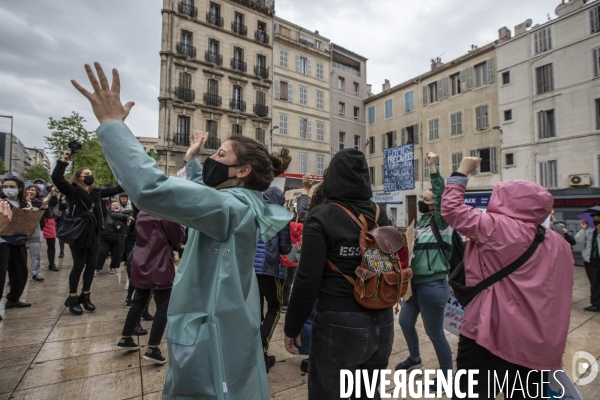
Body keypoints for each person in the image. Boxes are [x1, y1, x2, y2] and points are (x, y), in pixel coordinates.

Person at [72, 61, 292, 399]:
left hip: (211, 340)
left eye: (220, 154)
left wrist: (113, 126)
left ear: (243, 170)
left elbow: (151, 189)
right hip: (227, 329)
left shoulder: (231, 208)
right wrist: (192, 160)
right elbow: (204, 197)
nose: (212, 160)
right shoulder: (248, 203)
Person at [441, 157, 574, 398]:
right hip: (539, 344)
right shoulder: (560, 243)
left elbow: (451, 209)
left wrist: (461, 172)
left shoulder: (496, 227)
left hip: (490, 334)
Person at [284, 149, 393, 399]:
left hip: (340, 322)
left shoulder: (322, 216)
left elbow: (307, 280)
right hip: (382, 320)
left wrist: (292, 326)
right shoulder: (379, 213)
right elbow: (383, 266)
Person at [396, 152, 453, 388]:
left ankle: (447, 379)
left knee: (435, 333)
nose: (422, 200)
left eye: (426, 198)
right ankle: (415, 359)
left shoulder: (441, 222)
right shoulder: (419, 224)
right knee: (405, 321)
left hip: (433, 285)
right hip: (415, 284)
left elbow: (441, 197)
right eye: (421, 197)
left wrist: (433, 168)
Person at [52, 148, 124, 315]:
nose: (89, 175)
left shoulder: (97, 192)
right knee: (78, 266)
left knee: (91, 266)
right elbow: (56, 178)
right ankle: (72, 297)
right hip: (79, 235)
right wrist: (64, 160)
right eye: (85, 174)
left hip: (95, 234)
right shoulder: (72, 190)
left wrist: (131, 177)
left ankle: (86, 295)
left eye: (90, 173)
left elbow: (116, 189)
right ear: (79, 177)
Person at [117, 211, 185, 364]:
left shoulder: (142, 212)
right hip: (159, 263)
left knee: (138, 301)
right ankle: (153, 347)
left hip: (141, 261)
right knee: (163, 307)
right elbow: (177, 237)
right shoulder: (165, 213)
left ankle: (126, 337)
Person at [253, 186, 292, 373]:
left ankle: (252, 351)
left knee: (255, 311)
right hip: (269, 269)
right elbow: (285, 248)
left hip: (249, 270)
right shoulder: (281, 216)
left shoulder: (254, 211)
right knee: (275, 308)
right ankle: (260, 351)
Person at [0, 178, 32, 315]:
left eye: (11, 186)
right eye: (5, 186)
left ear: (19, 188)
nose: (8, 189)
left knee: (20, 271)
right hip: (3, 242)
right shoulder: (2, 203)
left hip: (19, 241)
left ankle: (13, 298)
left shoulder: (24, 203)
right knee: (1, 274)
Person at [95, 200, 128, 275]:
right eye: (113, 205)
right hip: (105, 238)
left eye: (117, 205)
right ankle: (96, 268)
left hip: (117, 238)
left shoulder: (123, 215)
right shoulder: (106, 214)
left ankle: (113, 267)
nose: (116, 206)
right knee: (102, 253)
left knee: (116, 254)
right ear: (110, 207)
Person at [575, 213, 600, 312]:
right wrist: (583, 229)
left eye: (598, 216)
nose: (596, 218)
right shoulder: (590, 230)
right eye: (595, 216)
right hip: (591, 261)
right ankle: (595, 304)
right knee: (594, 283)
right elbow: (578, 240)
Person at [25, 184, 48, 283]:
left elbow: (46, 214)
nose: (30, 191)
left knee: (35, 255)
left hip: (35, 231)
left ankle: (35, 273)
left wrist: (44, 205)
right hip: (20, 232)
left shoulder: (41, 201)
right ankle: (15, 275)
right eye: (28, 189)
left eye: (33, 190)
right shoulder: (20, 202)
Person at [42, 184, 60, 271]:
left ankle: (51, 263)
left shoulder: (50, 196)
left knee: (51, 243)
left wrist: (53, 194)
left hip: (49, 220)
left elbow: (54, 203)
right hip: (37, 221)